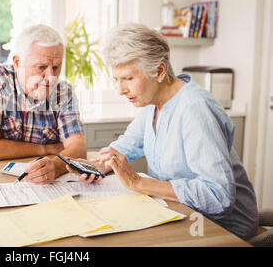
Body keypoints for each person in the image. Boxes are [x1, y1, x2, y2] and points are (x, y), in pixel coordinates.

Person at [66, 22, 258, 240]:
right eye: (117, 79)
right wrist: (97, 165)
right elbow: (126, 145)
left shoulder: (195, 109)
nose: (120, 90)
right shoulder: (152, 103)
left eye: (128, 78)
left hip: (223, 229)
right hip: (180, 213)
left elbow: (219, 196)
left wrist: (138, 183)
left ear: (159, 70)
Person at [0, 24, 87, 184]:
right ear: (17, 62)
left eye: (56, 67)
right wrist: (47, 149)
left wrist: (56, 167)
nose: (50, 76)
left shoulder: (63, 91)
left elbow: (79, 148)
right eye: (41, 67)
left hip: (45, 183)